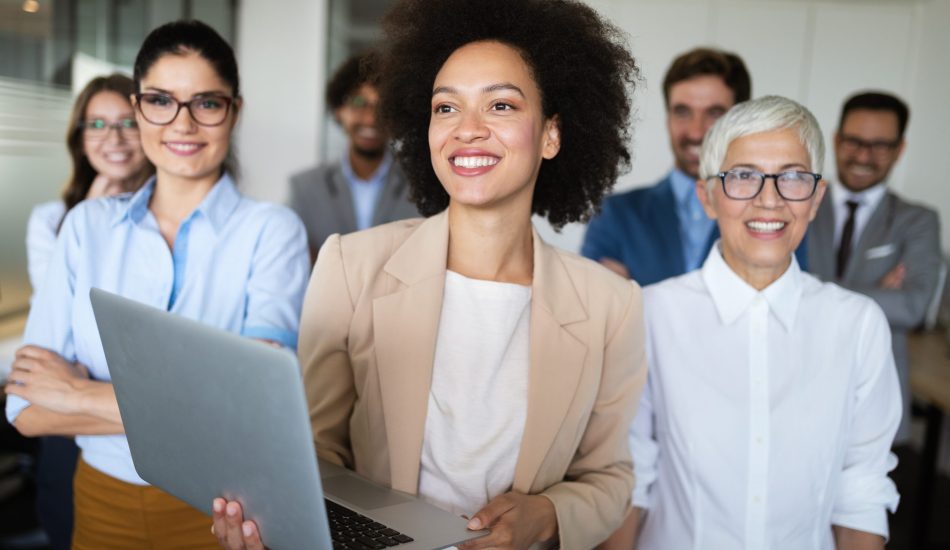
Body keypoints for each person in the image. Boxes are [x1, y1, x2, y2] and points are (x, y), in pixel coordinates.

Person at [211, 0, 646, 549]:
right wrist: (272, 525)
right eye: (446, 108)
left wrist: (548, 513)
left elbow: (610, 476)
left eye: (502, 106)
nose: (467, 130)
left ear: (552, 135)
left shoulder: (612, 305)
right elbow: (314, 453)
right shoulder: (352, 266)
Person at [5, 19, 309, 549]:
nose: (182, 124)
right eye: (161, 100)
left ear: (234, 112)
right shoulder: (85, 227)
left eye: (206, 103)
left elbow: (253, 418)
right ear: (140, 107)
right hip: (100, 503)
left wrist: (77, 392)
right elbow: (26, 409)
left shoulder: (271, 232)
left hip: (222, 512)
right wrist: (197, 410)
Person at [603, 96, 901, 550]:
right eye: (743, 176)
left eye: (793, 178)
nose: (769, 200)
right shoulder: (650, 314)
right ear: (708, 197)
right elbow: (629, 478)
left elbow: (860, 491)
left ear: (816, 198)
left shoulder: (857, 324)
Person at [23, 72, 153, 550]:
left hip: (147, 428)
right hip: (75, 434)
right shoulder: (53, 220)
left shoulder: (175, 218)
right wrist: (93, 220)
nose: (113, 138)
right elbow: (63, 327)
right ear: (79, 137)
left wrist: (73, 381)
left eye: (126, 123)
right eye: (96, 123)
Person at [807, 91, 942, 444]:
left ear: (900, 149)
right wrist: (876, 292)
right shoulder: (801, 206)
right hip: (801, 390)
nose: (864, 156)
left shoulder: (919, 221)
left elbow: (912, 307)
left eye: (880, 145)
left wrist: (814, 289)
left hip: (876, 404)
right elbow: (773, 288)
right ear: (836, 140)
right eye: (854, 141)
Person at [582, 48, 750, 285]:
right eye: (682, 112)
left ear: (740, 120)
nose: (696, 132)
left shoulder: (769, 213)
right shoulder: (617, 215)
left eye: (714, 113)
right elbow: (596, 309)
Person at [288, 51, 418, 260]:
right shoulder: (304, 188)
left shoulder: (419, 185)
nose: (370, 119)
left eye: (382, 107)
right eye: (359, 103)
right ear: (339, 109)